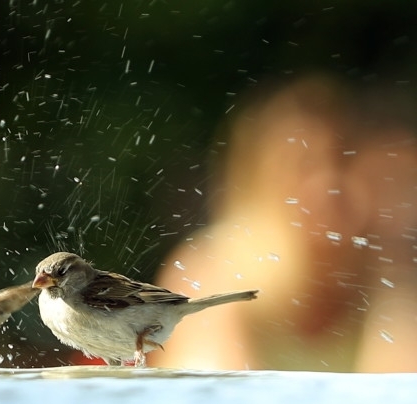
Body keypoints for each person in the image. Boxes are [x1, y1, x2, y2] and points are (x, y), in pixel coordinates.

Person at [150, 75, 417, 372]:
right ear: (258, 183)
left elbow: (401, 401)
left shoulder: (382, 275)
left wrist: (398, 286)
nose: (327, 183)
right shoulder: (212, 270)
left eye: (341, 161)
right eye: (301, 166)